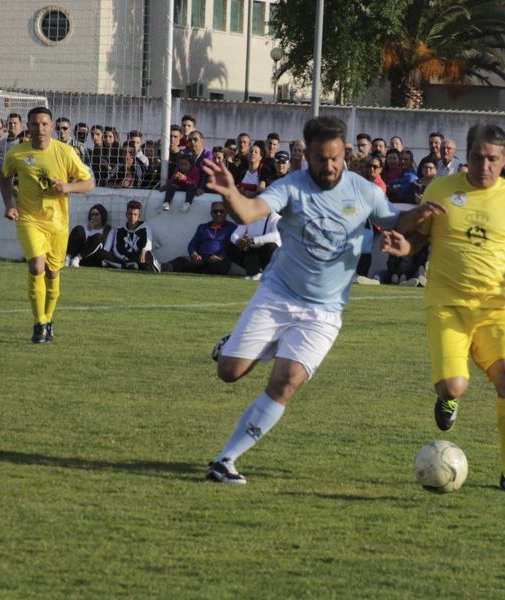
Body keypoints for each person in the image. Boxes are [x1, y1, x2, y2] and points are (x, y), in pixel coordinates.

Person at [197, 115, 444, 485]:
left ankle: (225, 460)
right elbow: (248, 212)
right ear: (306, 155)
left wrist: (416, 217)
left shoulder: (364, 191)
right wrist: (231, 192)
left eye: (335, 159)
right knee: (228, 372)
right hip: (277, 294)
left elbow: (393, 222)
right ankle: (236, 346)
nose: (328, 167)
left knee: (285, 383)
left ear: (344, 153)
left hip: (323, 312)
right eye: (319, 159)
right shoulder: (291, 186)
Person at [382, 122, 505, 493]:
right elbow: (415, 239)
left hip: (494, 307)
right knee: (453, 387)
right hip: (446, 305)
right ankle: (449, 400)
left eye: (492, 159)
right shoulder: (441, 188)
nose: (484, 166)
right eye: (476, 158)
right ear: (465, 158)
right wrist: (403, 244)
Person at [0, 107, 94, 343]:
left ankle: (48, 320)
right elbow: (5, 177)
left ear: (52, 127)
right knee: (36, 267)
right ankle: (39, 323)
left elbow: (89, 182)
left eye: (44, 124)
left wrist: (67, 187)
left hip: (58, 224)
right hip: (28, 219)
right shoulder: (17, 153)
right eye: (34, 124)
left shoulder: (66, 152)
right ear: (27, 127)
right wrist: (8, 204)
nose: (39, 129)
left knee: (53, 272)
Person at [163, 201, 239, 275]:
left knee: (218, 267)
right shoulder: (203, 227)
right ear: (211, 213)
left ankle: (195, 272)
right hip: (200, 259)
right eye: (215, 211)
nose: (218, 214)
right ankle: (159, 267)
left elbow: (233, 246)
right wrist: (194, 255)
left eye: (221, 211)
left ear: (226, 213)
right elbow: (192, 244)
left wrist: (220, 257)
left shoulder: (232, 228)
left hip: (219, 261)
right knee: (182, 260)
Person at [97, 200, 161, 272]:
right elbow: (116, 249)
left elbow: (148, 244)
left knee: (146, 259)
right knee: (101, 253)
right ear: (126, 214)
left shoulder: (145, 228)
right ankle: (126, 265)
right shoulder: (120, 230)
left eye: (135, 214)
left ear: (139, 216)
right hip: (124, 259)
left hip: (139, 258)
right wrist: (123, 257)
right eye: (130, 214)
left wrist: (144, 251)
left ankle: (119, 265)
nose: (132, 217)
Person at [228, 212, 282, 280]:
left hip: (266, 252)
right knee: (230, 246)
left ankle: (267, 272)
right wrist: (239, 241)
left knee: (270, 246)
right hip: (252, 250)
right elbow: (234, 235)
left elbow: (275, 235)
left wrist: (252, 241)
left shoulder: (275, 218)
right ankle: (254, 271)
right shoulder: (248, 217)